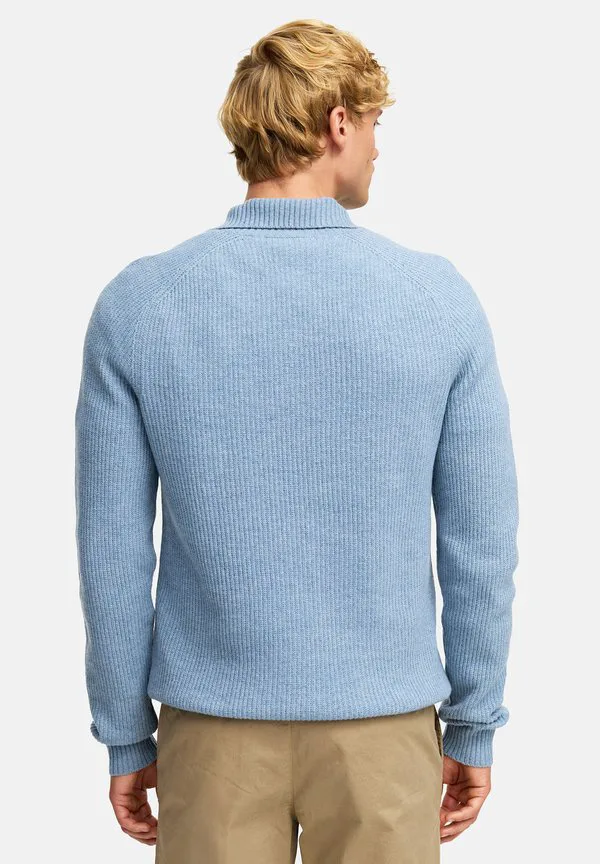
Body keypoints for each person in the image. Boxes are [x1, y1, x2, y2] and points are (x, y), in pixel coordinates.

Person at [74, 18, 519, 863]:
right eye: (376, 124)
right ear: (339, 123)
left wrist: (127, 736)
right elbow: (480, 545)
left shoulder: (140, 305)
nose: (379, 148)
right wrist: (473, 720)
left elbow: (113, 554)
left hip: (210, 734)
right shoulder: (435, 301)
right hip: (385, 732)